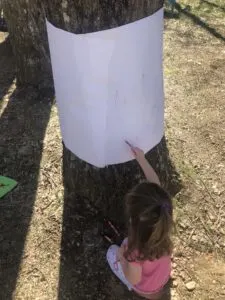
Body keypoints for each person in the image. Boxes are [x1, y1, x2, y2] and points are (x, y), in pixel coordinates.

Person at [106, 142, 173, 299]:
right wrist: (142, 159)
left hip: (144, 289)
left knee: (111, 252)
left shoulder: (134, 250)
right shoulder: (164, 216)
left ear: (133, 222)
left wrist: (122, 259)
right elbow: (155, 185)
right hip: (162, 278)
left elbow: (133, 278)